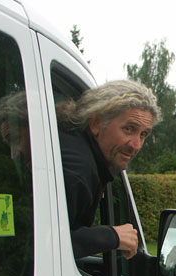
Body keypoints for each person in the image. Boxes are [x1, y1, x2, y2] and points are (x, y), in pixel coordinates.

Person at [57, 80, 160, 259]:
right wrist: (112, 236)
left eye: (143, 134)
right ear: (97, 123)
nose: (136, 145)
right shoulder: (77, 170)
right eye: (129, 129)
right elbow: (46, 246)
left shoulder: (76, 149)